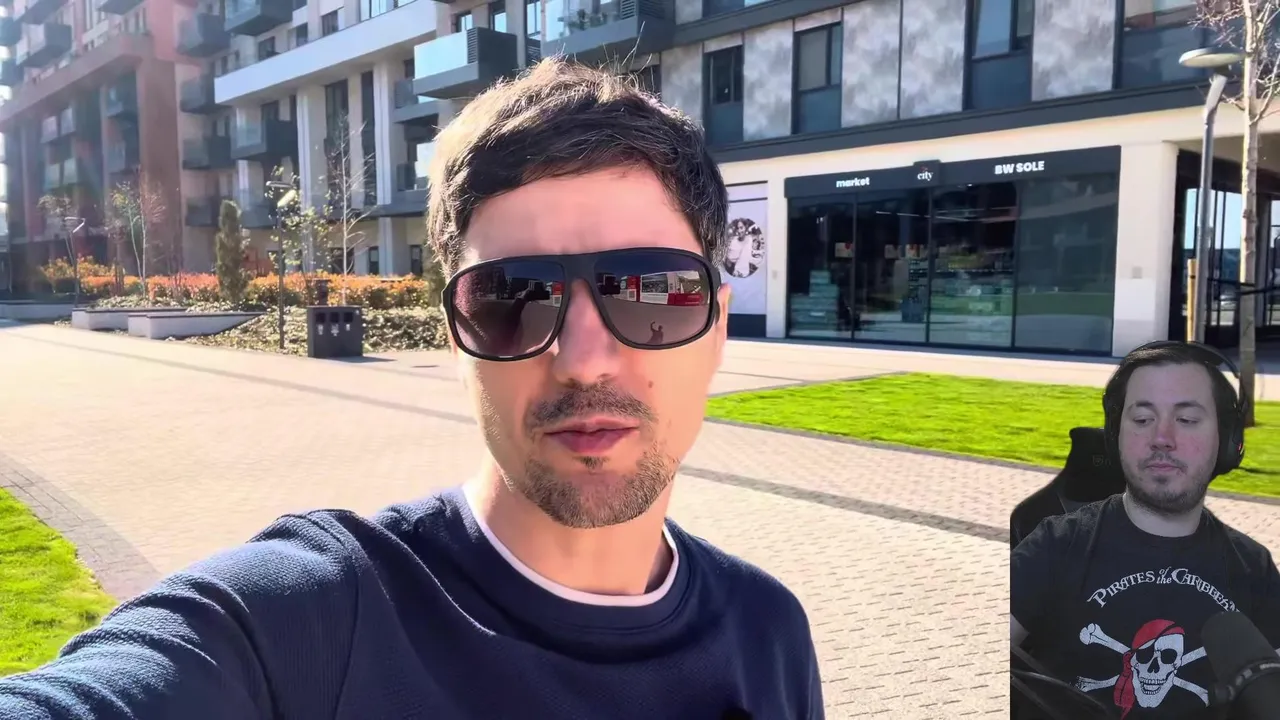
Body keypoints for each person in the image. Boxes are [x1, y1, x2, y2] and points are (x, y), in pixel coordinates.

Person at [0, 59, 824, 719]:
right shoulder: (313, 624)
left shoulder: (769, 632)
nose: (584, 360)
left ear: (717, 325)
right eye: (512, 298)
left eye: (649, 292)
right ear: (456, 332)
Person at [1010, 341, 1280, 719]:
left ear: (1227, 440)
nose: (1161, 438)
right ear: (1116, 435)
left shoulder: (1254, 568)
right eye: (1141, 419)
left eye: (1187, 419)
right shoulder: (1055, 546)